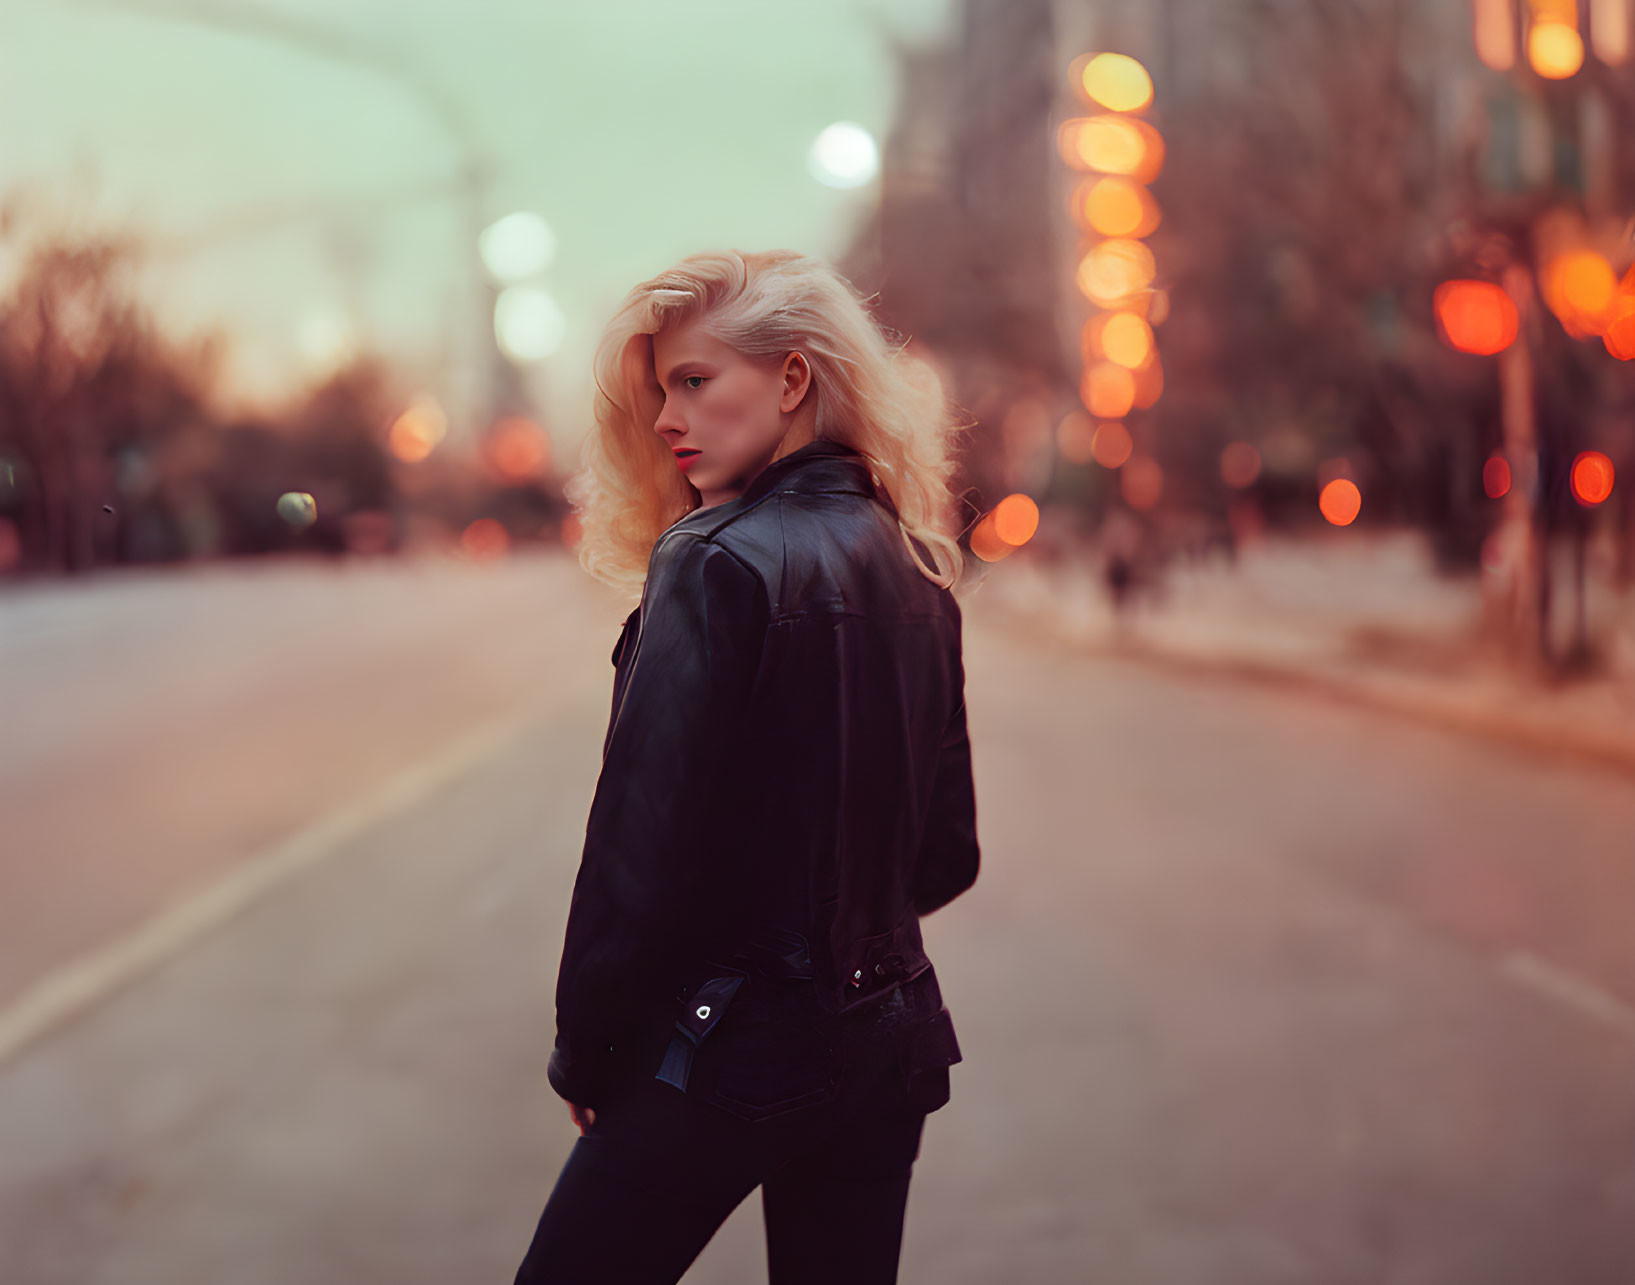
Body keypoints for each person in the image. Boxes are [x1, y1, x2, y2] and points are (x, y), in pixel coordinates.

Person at [512, 249, 982, 1285]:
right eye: (658, 392)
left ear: (791, 380)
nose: (666, 419)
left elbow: (637, 855)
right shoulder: (919, 573)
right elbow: (945, 856)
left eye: (693, 380)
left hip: (726, 1057)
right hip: (886, 1049)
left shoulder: (714, 559)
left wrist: (587, 1051)